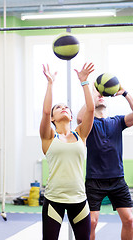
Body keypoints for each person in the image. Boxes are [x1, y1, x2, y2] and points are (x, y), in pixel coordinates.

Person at [40, 63, 95, 240]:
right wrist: (50, 83)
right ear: (53, 119)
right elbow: (46, 110)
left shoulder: (81, 134)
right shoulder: (48, 136)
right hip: (54, 199)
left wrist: (84, 82)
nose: (63, 108)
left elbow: (91, 109)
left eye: (66, 107)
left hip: (79, 198)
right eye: (59, 108)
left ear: (71, 116)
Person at [77, 83, 133, 240]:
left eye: (102, 95)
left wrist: (125, 93)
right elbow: (80, 118)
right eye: (98, 96)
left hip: (117, 179)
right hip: (94, 181)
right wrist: (92, 94)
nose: (100, 96)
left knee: (129, 220)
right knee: (91, 222)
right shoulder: (89, 125)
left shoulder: (117, 121)